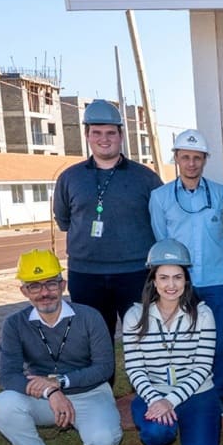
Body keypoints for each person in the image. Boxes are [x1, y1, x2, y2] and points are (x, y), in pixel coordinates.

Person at [0, 250, 122, 445]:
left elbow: (104, 367)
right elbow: (8, 375)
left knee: (105, 441)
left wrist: (60, 382)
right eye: (34, 286)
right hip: (44, 398)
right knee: (4, 404)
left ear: (63, 285)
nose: (44, 293)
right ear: (24, 291)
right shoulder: (14, 324)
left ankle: (88, 432)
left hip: (89, 392)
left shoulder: (89, 316)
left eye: (51, 284)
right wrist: (50, 391)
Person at [53, 99, 161, 339]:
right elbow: (64, 219)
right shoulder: (70, 178)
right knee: (94, 341)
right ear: (87, 135)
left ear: (121, 135)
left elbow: (161, 220)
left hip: (136, 273)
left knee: (143, 338)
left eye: (111, 132)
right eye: (97, 132)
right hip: (85, 275)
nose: (104, 139)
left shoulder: (145, 178)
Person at [149, 129, 223, 417]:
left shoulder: (221, 193)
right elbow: (161, 240)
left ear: (205, 160)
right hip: (179, 283)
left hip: (217, 279)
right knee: (181, 340)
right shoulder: (160, 197)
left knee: (221, 340)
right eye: (185, 157)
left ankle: (222, 394)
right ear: (176, 158)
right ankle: (182, 392)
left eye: (197, 158)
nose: (191, 163)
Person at [121, 239, 221, 445]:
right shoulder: (135, 316)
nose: (171, 285)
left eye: (177, 277)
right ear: (153, 281)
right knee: (157, 432)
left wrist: (171, 401)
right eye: (163, 277)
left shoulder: (203, 314)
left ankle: (193, 426)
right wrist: (157, 400)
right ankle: (159, 444)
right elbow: (135, 368)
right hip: (154, 392)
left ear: (186, 280)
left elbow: (202, 367)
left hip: (197, 393)